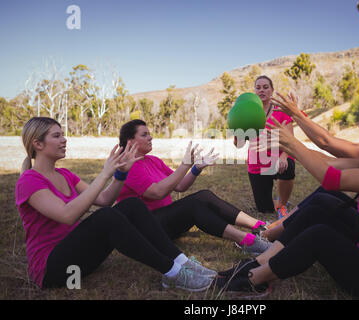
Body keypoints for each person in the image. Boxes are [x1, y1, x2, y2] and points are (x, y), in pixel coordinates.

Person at [217, 112, 359, 300]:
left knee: (320, 235)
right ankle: (260, 261)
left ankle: (253, 280)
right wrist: (288, 146)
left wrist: (293, 143)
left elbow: (331, 179)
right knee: (318, 210)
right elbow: (327, 164)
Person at [15, 117, 217, 292]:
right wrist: (104, 173)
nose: (64, 139)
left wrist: (120, 174)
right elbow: (67, 215)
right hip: (54, 271)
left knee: (130, 205)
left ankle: (183, 263)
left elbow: (104, 200)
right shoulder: (29, 181)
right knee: (106, 217)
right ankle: (173, 274)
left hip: (81, 261)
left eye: (62, 135)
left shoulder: (65, 174)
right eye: (57, 136)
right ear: (38, 144)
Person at [116, 119, 271, 256]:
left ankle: (260, 227)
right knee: (194, 205)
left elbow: (181, 185)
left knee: (204, 195)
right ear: (130, 141)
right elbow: (157, 193)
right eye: (144, 134)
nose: (150, 137)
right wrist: (184, 165)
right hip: (145, 229)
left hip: (163, 221)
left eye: (149, 133)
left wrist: (196, 168)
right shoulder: (129, 166)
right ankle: (248, 242)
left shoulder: (153, 160)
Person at [262, 95, 359, 239]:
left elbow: (326, 142)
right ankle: (272, 229)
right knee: (324, 194)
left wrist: (296, 116)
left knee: (321, 205)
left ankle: (269, 234)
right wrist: (291, 147)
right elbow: (329, 162)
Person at [234, 76, 296, 219]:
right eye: (258, 87)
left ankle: (283, 205)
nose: (262, 90)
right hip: (257, 163)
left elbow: (290, 140)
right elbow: (239, 145)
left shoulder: (281, 112)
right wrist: (237, 134)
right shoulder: (248, 114)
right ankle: (277, 201)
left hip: (279, 159)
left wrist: (284, 157)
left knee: (288, 167)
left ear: (272, 90)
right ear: (254, 91)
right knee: (265, 210)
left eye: (265, 87)